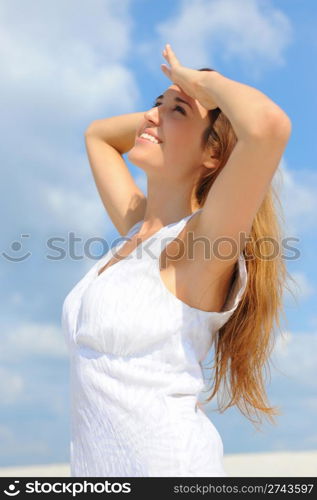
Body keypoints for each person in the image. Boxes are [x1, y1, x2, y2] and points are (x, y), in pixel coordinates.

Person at [62, 44, 293, 477]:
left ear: (213, 155)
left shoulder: (200, 246)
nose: (151, 115)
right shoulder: (136, 230)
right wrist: (174, 109)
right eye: (155, 103)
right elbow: (98, 135)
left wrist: (200, 83)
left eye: (178, 111)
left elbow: (267, 126)